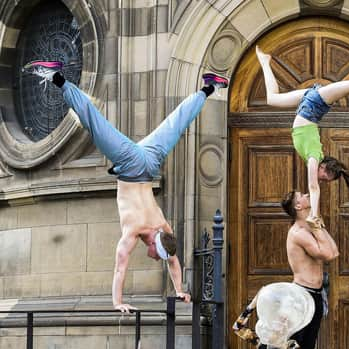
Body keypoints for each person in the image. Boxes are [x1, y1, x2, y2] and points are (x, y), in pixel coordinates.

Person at [22, 60, 230, 312]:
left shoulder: (164, 228)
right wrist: (117, 302)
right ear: (154, 243)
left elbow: (173, 261)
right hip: (131, 165)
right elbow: (120, 266)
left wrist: (179, 290)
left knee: (177, 123)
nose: (154, 258)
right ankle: (57, 77)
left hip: (149, 165)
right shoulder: (134, 230)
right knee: (93, 121)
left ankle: (208, 89)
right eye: (156, 254)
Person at [257, 46, 349, 229]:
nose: (320, 180)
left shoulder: (313, 156)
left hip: (307, 104)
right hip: (312, 106)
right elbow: (313, 188)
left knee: (272, 98)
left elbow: (314, 188)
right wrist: (313, 216)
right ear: (324, 167)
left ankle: (264, 61)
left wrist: (315, 215)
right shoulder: (313, 157)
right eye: (324, 178)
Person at [281, 190, 340, 349]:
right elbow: (328, 254)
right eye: (303, 195)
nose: (308, 194)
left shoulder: (309, 228)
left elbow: (334, 251)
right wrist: (317, 228)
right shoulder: (298, 232)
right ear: (298, 206)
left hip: (314, 295)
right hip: (301, 296)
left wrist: (318, 226)